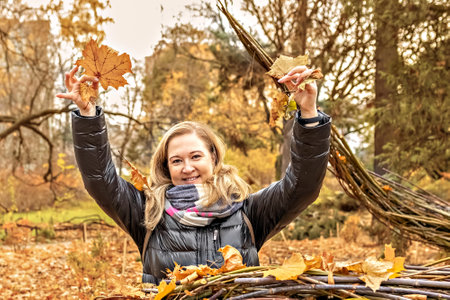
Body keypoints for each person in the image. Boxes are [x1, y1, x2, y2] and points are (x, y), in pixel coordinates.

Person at [56, 65, 331, 284]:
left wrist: (307, 113)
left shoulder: (246, 211)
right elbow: (101, 180)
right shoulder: (149, 212)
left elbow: (302, 186)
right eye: (176, 160)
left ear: (213, 156)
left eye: (195, 156)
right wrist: (88, 115)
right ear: (167, 166)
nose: (187, 167)